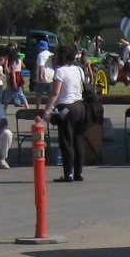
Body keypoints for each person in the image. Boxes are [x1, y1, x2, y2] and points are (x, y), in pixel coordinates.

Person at [43, 46, 90, 181]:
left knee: (66, 140)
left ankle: (68, 173)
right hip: (80, 107)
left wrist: (47, 110)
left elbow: (55, 93)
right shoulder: (78, 69)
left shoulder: (60, 72)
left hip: (67, 108)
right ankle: (79, 172)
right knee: (78, 140)